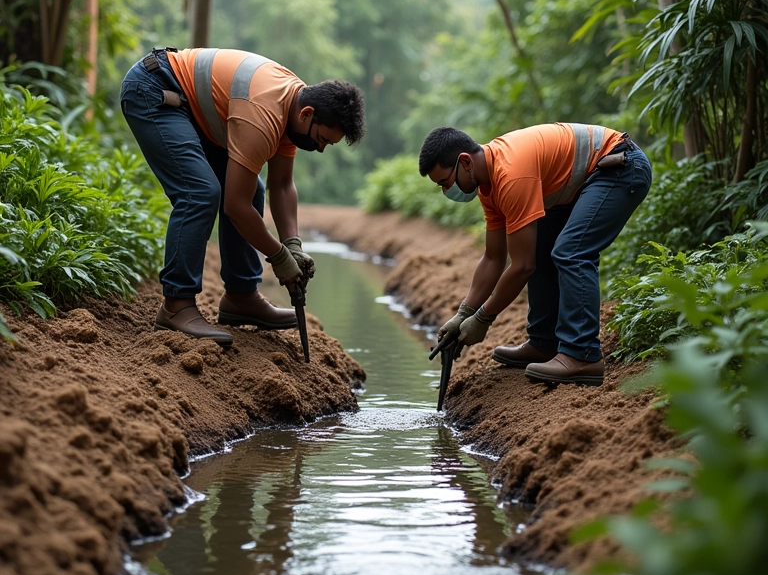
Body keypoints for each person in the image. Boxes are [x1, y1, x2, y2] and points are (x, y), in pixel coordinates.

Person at [120, 47, 365, 348]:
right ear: (307, 115)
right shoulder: (263, 114)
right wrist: (279, 257)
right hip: (155, 88)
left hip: (188, 106)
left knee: (254, 189)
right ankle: (176, 306)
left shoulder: (294, 106)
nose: (322, 148)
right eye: (323, 139)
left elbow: (283, 184)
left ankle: (241, 298)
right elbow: (235, 207)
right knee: (200, 192)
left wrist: (294, 246)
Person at [419, 122, 652, 386]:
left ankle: (583, 354)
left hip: (620, 165)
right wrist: (464, 313)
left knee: (571, 251)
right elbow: (494, 257)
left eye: (444, 182)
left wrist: (483, 318)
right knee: (540, 246)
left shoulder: (511, 173)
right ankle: (545, 343)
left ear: (466, 163)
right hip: (588, 179)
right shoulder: (489, 186)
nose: (445, 191)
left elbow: (521, 267)